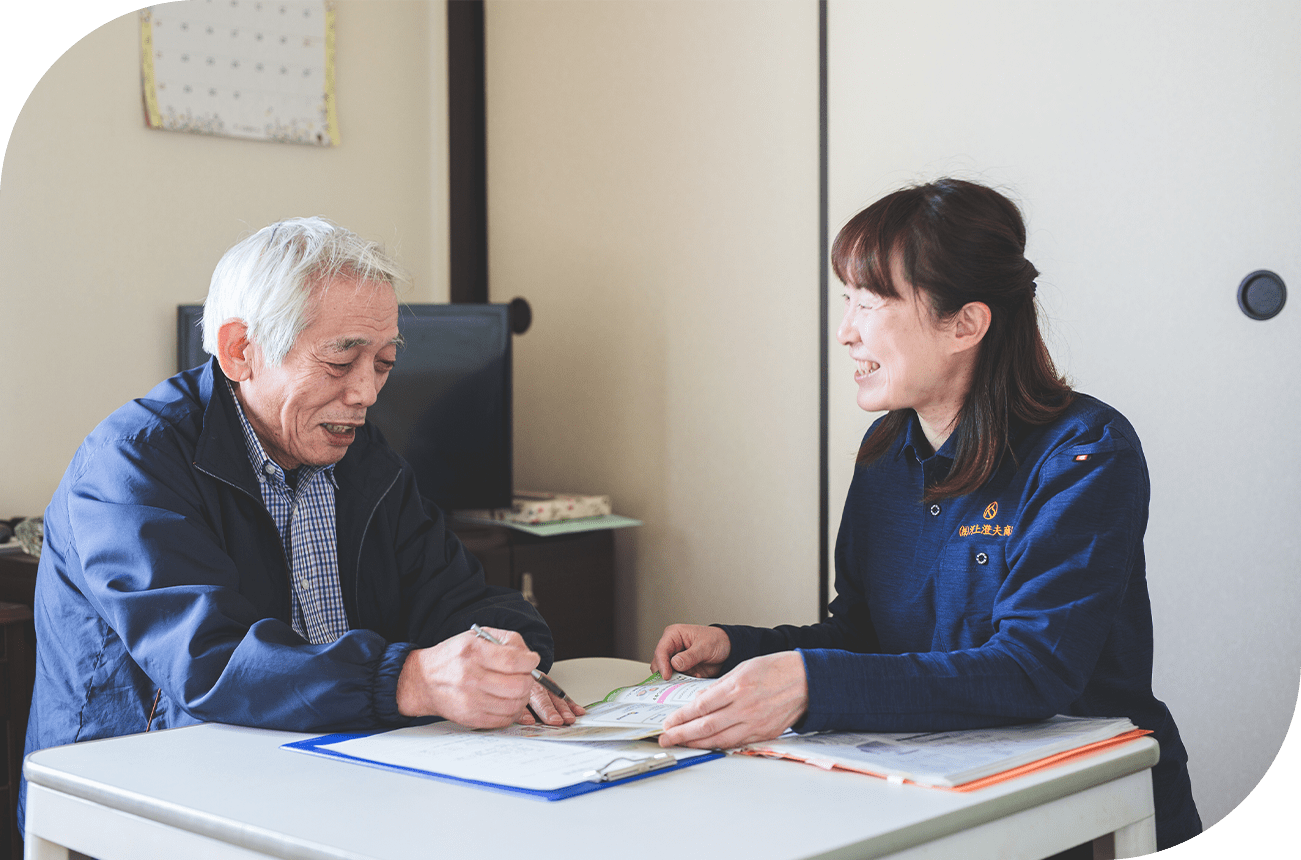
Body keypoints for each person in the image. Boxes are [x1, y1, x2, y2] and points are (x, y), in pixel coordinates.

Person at [650, 179, 1201, 851]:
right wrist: (743, 649)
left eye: (870, 303)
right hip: (939, 797)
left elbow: (1033, 669)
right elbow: (865, 633)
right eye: (845, 301)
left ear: (964, 323)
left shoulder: (1084, 452)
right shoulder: (886, 450)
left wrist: (807, 683)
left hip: (1084, 805)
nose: (845, 332)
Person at [21, 217, 581, 826]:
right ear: (241, 351)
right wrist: (411, 680)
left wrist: (509, 658)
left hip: (324, 771)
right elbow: (210, 662)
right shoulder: (131, 462)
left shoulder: (366, 460)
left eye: (384, 363)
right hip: (139, 792)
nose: (367, 393)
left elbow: (458, 597)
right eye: (342, 361)